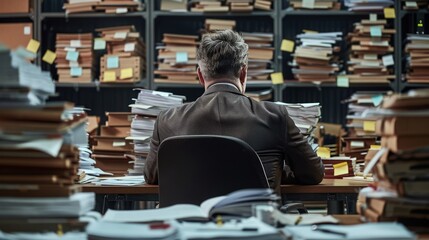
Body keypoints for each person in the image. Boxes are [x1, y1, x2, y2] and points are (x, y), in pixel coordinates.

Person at [144, 29, 324, 193]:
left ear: (200, 75)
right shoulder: (275, 117)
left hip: (191, 225)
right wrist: (277, 172)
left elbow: (151, 178)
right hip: (255, 225)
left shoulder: (167, 120)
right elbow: (313, 174)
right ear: (244, 73)